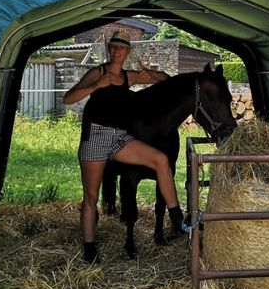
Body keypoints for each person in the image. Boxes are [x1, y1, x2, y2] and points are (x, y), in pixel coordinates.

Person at [63, 30, 182, 263]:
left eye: (122, 47)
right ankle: (89, 248)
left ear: (128, 51)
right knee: (90, 196)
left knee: (161, 160)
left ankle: (177, 217)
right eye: (114, 46)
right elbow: (69, 98)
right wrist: (97, 84)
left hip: (120, 138)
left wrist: (149, 73)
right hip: (95, 136)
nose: (117, 50)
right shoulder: (98, 72)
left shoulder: (129, 77)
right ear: (110, 49)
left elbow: (166, 80)